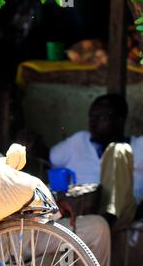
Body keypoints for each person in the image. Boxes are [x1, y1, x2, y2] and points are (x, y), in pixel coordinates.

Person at [50, 94, 143, 232]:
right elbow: (49, 158)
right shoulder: (79, 141)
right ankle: (97, 224)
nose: (92, 123)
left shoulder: (139, 146)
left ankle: (106, 220)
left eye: (101, 118)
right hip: (83, 213)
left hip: (123, 216)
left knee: (117, 149)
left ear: (119, 121)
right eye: (91, 117)